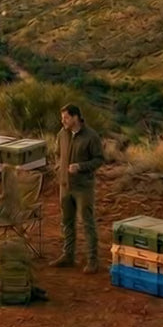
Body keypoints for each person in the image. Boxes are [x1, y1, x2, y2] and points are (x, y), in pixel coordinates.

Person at [51, 104, 106, 273]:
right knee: (67, 222)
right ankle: (68, 256)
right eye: (62, 118)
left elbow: (99, 159)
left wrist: (81, 166)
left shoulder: (91, 136)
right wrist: (58, 168)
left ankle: (92, 260)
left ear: (76, 117)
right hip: (65, 185)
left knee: (87, 222)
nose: (63, 122)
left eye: (66, 118)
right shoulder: (62, 134)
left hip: (83, 187)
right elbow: (57, 153)